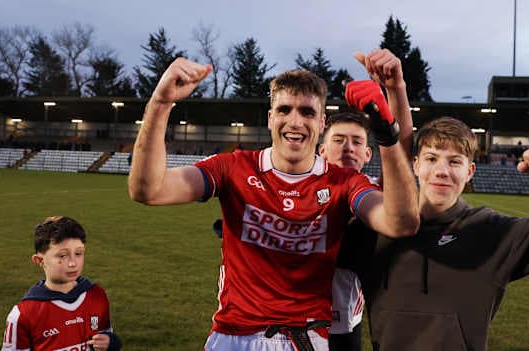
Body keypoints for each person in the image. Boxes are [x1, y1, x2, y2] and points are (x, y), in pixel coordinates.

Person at [128, 48, 419, 351]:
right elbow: (148, 190)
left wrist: (386, 133)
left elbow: (401, 223)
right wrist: (161, 103)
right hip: (232, 336)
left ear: (322, 123)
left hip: (304, 338)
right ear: (270, 118)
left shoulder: (343, 182)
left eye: (307, 112)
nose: (294, 122)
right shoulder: (233, 167)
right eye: (284, 110)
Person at [357, 116, 529, 351]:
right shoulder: (376, 229)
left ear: (470, 171)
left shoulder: (490, 230)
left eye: (454, 162)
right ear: (416, 165)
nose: (442, 171)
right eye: (432, 158)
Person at [1, 216, 121, 351]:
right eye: (63, 256)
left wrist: (111, 343)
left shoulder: (97, 295)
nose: (73, 263)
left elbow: (106, 334)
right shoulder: (23, 314)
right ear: (39, 261)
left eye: (78, 253)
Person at [317, 112, 375, 351]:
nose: (348, 148)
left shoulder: (376, 195)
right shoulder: (297, 189)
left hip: (350, 319)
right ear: (322, 150)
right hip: (300, 318)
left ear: (368, 154)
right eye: (339, 140)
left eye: (357, 141)